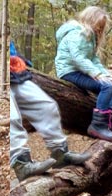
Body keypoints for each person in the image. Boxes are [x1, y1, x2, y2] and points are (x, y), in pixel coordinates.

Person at [9, 45, 90, 181]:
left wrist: (16, 57)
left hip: (15, 73)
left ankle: (60, 154)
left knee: (46, 105)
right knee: (12, 116)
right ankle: (21, 164)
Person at [55, 6, 112, 142]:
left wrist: (106, 74)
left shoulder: (90, 37)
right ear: (90, 20)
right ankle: (97, 126)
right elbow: (78, 58)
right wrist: (97, 75)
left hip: (80, 70)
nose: (100, 29)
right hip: (69, 71)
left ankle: (109, 121)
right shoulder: (77, 34)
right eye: (98, 25)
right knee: (107, 87)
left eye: (102, 27)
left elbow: (94, 60)